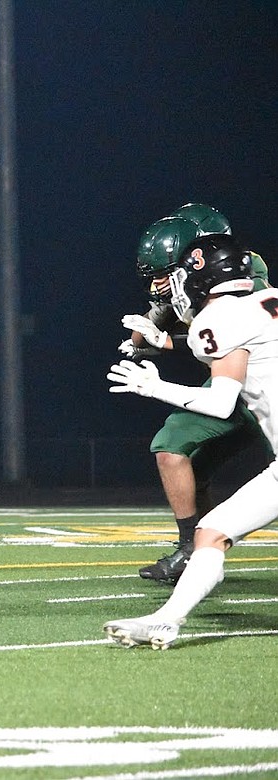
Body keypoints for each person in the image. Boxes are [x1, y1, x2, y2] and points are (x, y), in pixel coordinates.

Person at [105, 232, 278, 648]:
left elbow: (221, 404)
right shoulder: (264, 301)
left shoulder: (217, 320)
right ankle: (165, 620)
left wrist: (154, 386)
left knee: (212, 532)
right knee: (212, 530)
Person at [120, 204, 271, 584]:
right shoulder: (187, 284)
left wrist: (165, 342)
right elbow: (139, 340)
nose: (158, 284)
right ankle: (192, 548)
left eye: (164, 274)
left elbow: (230, 337)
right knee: (173, 450)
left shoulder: (243, 272)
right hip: (227, 383)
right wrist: (156, 322)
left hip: (258, 384)